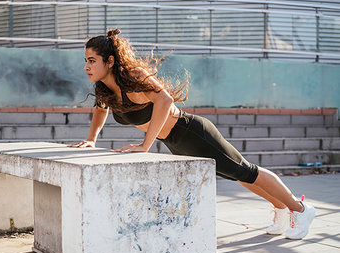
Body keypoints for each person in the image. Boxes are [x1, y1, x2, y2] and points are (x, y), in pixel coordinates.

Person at [68, 28, 316, 240]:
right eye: (86, 60)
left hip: (190, 132)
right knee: (236, 175)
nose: (86, 66)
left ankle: (301, 209)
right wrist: (91, 139)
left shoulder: (132, 77)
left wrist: (145, 145)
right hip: (174, 142)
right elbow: (100, 110)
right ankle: (280, 208)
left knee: (246, 171)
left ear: (110, 61)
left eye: (92, 60)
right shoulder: (105, 88)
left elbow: (165, 99)